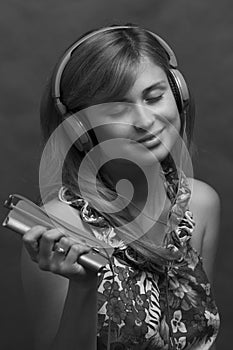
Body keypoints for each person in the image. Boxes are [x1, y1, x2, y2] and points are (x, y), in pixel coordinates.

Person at [21, 25, 220, 350]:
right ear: (82, 129)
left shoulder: (201, 204)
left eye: (155, 97)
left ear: (179, 94)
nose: (145, 119)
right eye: (117, 108)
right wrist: (83, 288)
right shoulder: (60, 227)